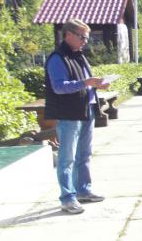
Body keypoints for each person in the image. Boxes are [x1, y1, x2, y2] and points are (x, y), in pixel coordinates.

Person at [44, 19, 111, 214]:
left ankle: (83, 191)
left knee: (84, 154)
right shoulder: (58, 58)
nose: (85, 41)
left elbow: (85, 83)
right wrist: (86, 82)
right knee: (67, 158)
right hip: (69, 114)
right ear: (68, 35)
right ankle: (67, 198)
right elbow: (59, 87)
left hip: (86, 110)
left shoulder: (79, 56)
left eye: (87, 38)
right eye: (82, 37)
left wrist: (97, 85)